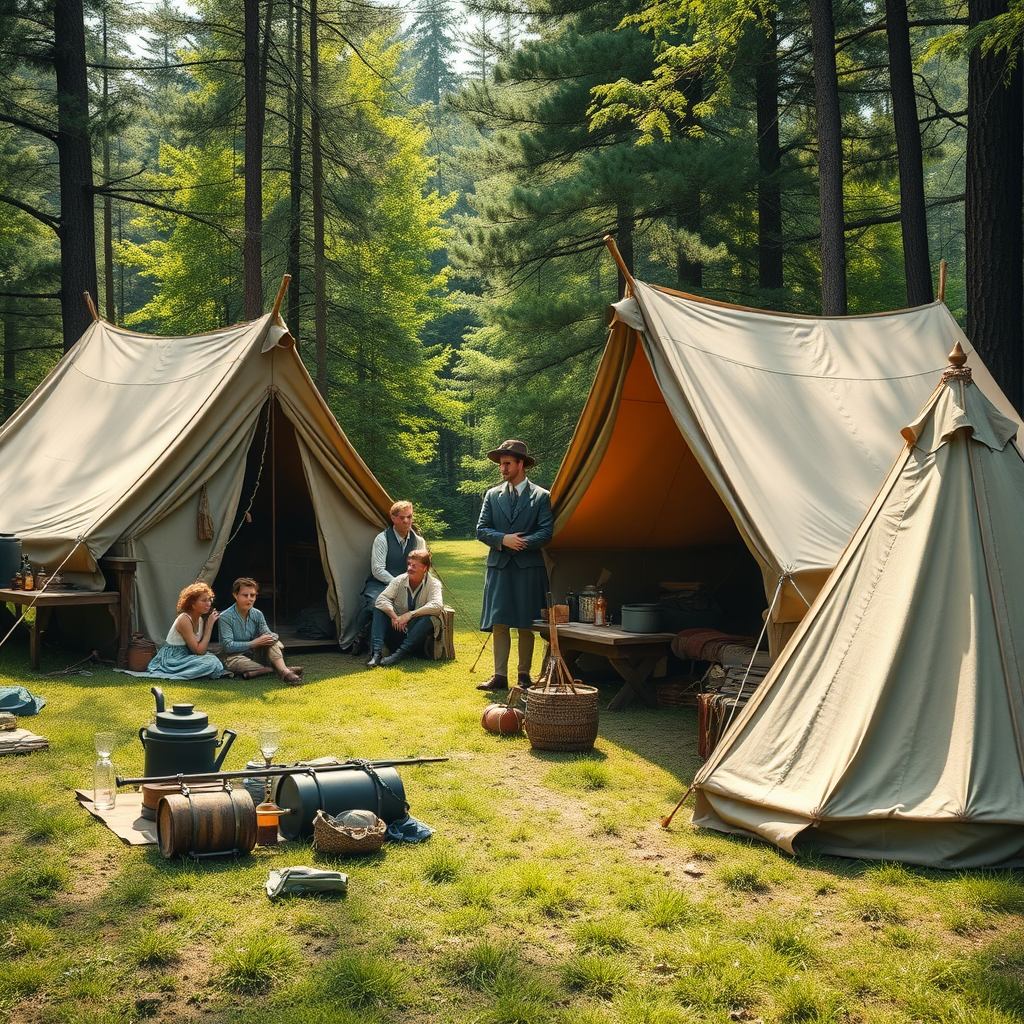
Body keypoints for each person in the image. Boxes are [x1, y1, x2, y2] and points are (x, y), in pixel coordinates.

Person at [475, 439, 553, 691]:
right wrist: (503, 539)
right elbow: (481, 530)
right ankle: (499, 676)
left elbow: (546, 532)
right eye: (501, 464)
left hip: (529, 568)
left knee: (525, 623)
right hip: (499, 566)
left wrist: (521, 543)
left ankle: (524, 675)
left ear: (521, 464)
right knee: (499, 622)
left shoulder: (541, 496)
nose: (503, 468)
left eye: (507, 463)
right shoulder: (492, 495)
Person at [349, 500, 424, 654]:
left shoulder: (418, 541)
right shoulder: (382, 539)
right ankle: (361, 635)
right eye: (402, 517)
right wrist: (398, 584)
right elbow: (378, 570)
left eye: (409, 517)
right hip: (380, 583)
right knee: (375, 604)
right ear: (393, 518)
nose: (406, 521)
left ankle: (407, 644)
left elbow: (421, 568)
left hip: (407, 585)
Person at [217, 577, 304, 685]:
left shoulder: (257, 614)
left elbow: (268, 633)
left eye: (252, 595)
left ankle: (284, 672)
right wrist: (254, 643)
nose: (249, 599)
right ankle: (277, 669)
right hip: (234, 657)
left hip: (256, 654)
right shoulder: (225, 617)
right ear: (235, 595)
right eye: (245, 595)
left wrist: (270, 637)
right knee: (237, 662)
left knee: (272, 642)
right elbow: (227, 646)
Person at [367, 549, 443, 667]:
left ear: (425, 568)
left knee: (429, 618)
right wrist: (394, 616)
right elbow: (381, 600)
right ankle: (376, 654)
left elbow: (437, 605)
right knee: (379, 609)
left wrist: (410, 614)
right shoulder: (399, 580)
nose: (409, 568)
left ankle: (399, 654)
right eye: (409, 564)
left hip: (417, 638)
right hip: (397, 631)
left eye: (414, 566)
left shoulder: (434, 584)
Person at [146, 582, 226, 680]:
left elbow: (200, 650)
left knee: (215, 661)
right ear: (192, 604)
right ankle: (184, 673)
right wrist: (209, 626)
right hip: (173, 659)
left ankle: (196, 673)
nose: (208, 604)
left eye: (209, 600)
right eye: (204, 600)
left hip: (188, 656)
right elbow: (199, 651)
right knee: (210, 663)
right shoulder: (184, 619)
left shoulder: (200, 620)